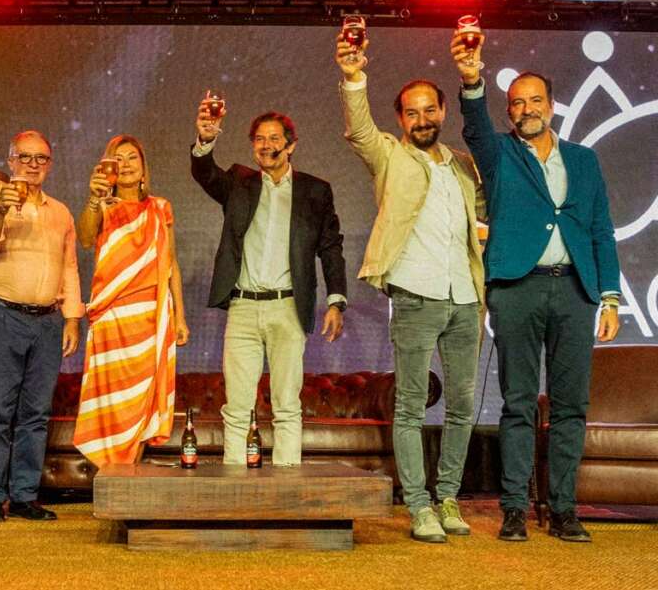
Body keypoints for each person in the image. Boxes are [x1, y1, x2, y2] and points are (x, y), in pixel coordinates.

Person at [452, 31, 621, 543]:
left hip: (574, 291)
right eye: (517, 102)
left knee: (571, 404)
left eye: (535, 100)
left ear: (552, 105)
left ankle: (565, 508)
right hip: (517, 289)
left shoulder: (583, 159)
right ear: (509, 112)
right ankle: (513, 509)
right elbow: (475, 124)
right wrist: (471, 78)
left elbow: (599, 229)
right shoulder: (499, 153)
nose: (526, 108)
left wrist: (609, 295)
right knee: (518, 402)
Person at [335, 33, 485, 543]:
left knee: (464, 406)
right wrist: (355, 77)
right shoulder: (389, 157)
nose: (422, 120)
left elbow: (478, 221)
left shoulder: (463, 165)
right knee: (410, 405)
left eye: (430, 111)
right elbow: (358, 131)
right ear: (400, 119)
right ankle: (418, 505)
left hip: (465, 297)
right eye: (411, 113)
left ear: (443, 111)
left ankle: (447, 497)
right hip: (416, 295)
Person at [191, 102, 347, 467]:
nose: (265, 145)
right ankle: (233, 492)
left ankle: (286, 493)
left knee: (287, 405)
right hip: (243, 306)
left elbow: (330, 246)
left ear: (290, 145)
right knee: (237, 405)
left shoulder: (315, 191)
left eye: (274, 138)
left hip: (287, 307)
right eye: (258, 139)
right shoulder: (238, 182)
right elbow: (204, 173)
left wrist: (337, 300)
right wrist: (205, 140)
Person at [0, 130, 83, 522]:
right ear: (11, 160)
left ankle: (23, 496)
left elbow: (70, 266)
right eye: (25, 157)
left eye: (41, 159)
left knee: (35, 413)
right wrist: (2, 210)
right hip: (2, 314)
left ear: (49, 165)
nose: (33, 165)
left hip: (47, 321)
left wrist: (72, 317)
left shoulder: (61, 212)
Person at [72, 135, 189, 466]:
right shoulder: (103, 207)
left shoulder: (160, 207)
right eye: (116, 158)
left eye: (131, 158)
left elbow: (171, 264)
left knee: (141, 402)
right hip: (112, 317)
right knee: (110, 400)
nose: (124, 164)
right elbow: (83, 237)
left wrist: (179, 316)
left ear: (142, 168)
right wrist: (94, 200)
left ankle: (127, 477)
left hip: (150, 319)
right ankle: (111, 475)